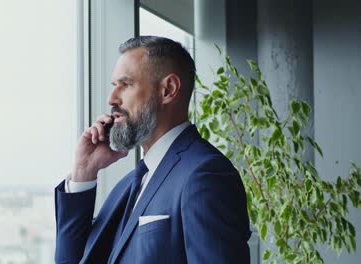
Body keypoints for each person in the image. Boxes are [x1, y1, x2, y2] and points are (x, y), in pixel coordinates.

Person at [54, 36, 251, 264]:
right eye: (114, 86)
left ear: (168, 89)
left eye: (125, 85)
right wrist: (83, 172)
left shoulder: (205, 175)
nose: (112, 99)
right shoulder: (127, 187)